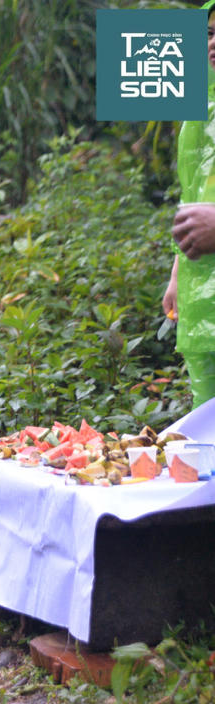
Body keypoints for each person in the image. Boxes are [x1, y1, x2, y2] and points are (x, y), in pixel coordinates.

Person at [163, 4, 215, 405]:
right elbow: (194, 196)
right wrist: (179, 271)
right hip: (204, 298)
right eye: (210, 34)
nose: (214, 44)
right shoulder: (201, 110)